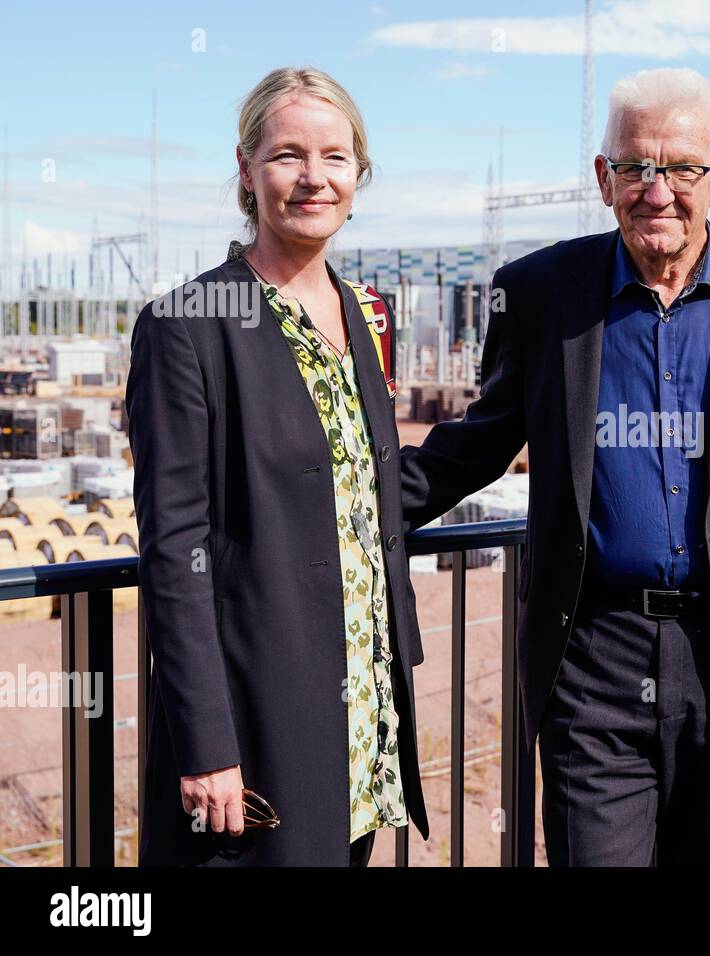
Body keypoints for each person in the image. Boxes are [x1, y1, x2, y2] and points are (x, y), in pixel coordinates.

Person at [401, 67, 710, 865]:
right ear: (603, 178)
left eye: (682, 168)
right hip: (594, 659)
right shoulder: (542, 292)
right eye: (635, 167)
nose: (658, 190)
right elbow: (476, 443)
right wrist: (332, 501)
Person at [128, 67, 429, 866]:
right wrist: (206, 742)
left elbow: (367, 484)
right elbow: (174, 547)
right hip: (259, 722)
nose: (312, 177)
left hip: (362, 720)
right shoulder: (187, 325)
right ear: (246, 169)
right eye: (287, 154)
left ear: (358, 175)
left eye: (335, 157)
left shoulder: (364, 312)